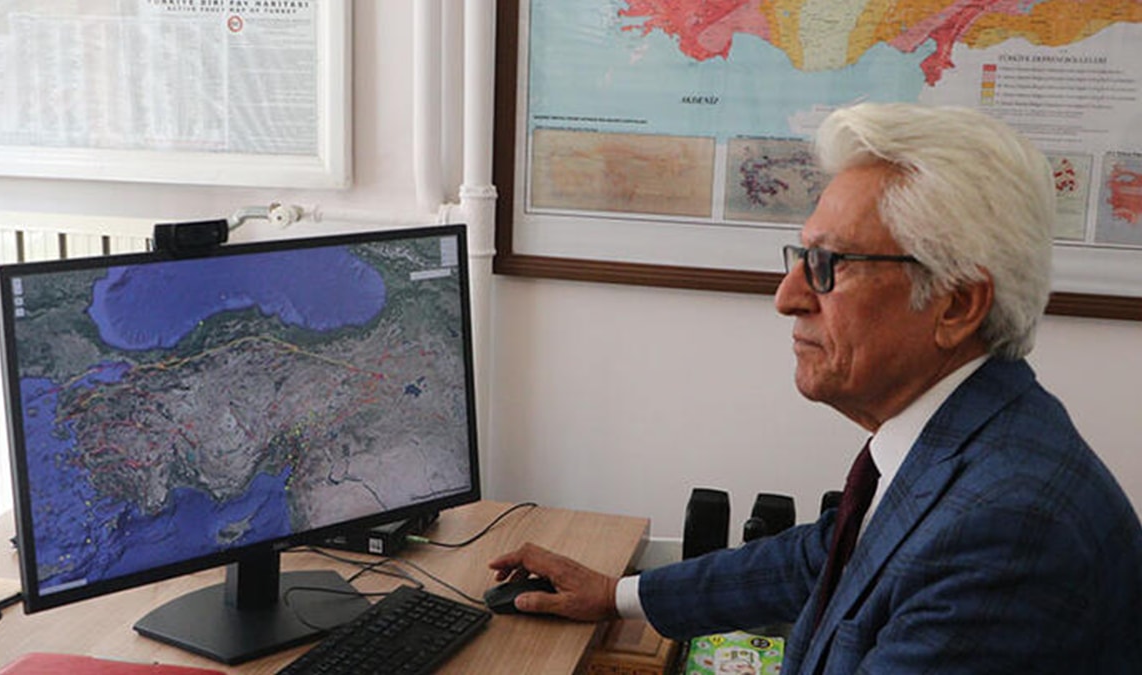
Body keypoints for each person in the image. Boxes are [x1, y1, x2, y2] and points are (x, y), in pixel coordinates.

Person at [489, 102, 1142, 673]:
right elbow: (825, 557)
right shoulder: (969, 436)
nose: (787, 296)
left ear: (957, 304)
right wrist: (617, 594)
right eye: (801, 257)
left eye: (830, 265)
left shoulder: (1005, 533)